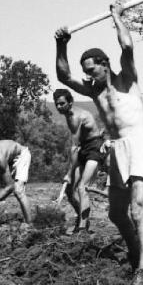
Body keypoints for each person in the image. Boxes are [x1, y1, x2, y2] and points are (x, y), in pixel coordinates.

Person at [55, 3, 143, 285]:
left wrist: (117, 17)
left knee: (138, 209)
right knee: (115, 214)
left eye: (92, 70)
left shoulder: (128, 79)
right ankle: (136, 253)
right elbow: (64, 76)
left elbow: (127, 47)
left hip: (139, 144)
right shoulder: (93, 89)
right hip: (116, 148)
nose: (88, 76)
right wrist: (61, 44)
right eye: (86, 71)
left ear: (104, 64)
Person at [53, 88, 105, 232]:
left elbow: (74, 148)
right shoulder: (68, 115)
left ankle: (83, 228)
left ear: (70, 103)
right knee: (70, 191)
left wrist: (69, 173)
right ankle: (81, 217)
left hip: (95, 148)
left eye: (62, 103)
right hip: (83, 148)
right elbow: (77, 147)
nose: (58, 107)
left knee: (82, 187)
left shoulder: (76, 117)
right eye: (56, 104)